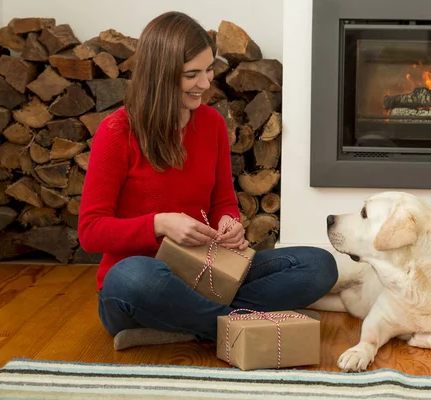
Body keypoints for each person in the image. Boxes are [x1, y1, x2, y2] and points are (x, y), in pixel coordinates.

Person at [78, 11, 338, 351]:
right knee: (134, 277)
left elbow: (222, 201)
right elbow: (90, 231)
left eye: (208, 70)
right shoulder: (117, 133)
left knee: (318, 265)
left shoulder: (212, 124)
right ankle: (239, 327)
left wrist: (230, 222)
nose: (205, 83)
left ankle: (198, 325)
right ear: (160, 77)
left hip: (208, 275)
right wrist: (159, 224)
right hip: (142, 287)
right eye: (191, 74)